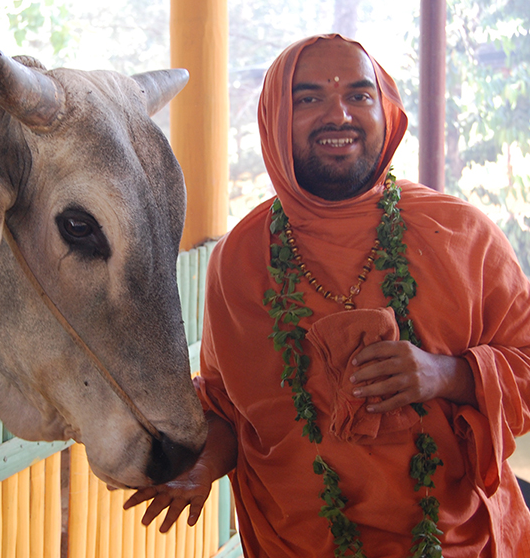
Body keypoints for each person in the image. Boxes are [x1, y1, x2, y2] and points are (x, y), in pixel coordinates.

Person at [125, 34, 530, 557]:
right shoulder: (241, 260)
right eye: (309, 97)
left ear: (386, 111)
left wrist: (445, 374)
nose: (338, 114)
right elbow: (228, 409)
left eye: (359, 95)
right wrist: (201, 468)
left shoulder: (461, 234)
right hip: (295, 543)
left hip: (459, 542)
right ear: (275, 118)